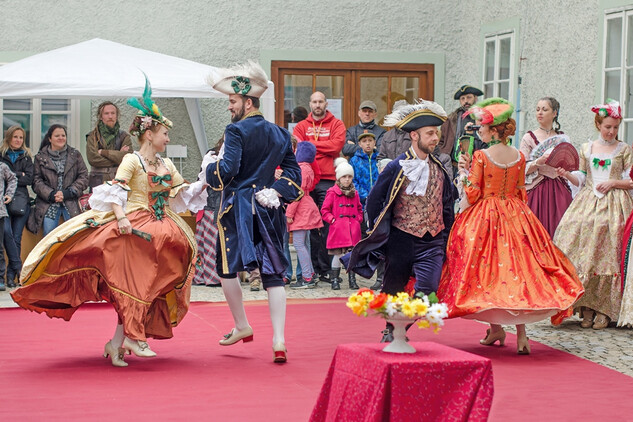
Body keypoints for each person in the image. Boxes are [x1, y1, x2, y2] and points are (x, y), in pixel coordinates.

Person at [12, 77, 207, 367]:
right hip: (136, 227)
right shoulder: (132, 161)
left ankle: (117, 342)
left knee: (146, 283)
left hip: (163, 226)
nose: (168, 138)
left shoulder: (166, 165)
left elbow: (181, 192)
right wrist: (121, 219)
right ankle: (132, 336)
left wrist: (207, 181)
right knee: (135, 282)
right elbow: (117, 193)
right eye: (164, 133)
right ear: (149, 134)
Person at [438, 98, 584, 355]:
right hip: (516, 215)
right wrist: (519, 216)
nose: (479, 130)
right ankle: (518, 335)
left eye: (482, 126)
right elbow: (521, 192)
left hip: (485, 215)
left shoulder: (481, 155)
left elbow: (473, 193)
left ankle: (497, 327)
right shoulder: (519, 156)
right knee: (518, 269)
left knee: (488, 271)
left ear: (493, 130)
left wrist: (463, 175)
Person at [206, 61, 302, 363]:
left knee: (226, 268)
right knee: (274, 274)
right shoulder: (280, 133)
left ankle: (242, 325)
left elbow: (229, 169)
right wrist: (277, 191)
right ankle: (279, 340)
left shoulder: (235, 130)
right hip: (268, 206)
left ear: (248, 102)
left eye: (232, 101)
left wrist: (210, 168)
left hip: (238, 209)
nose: (229, 107)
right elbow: (294, 175)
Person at [343, 100, 456, 341]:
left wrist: (446, 237)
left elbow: (447, 205)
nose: (435, 138)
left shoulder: (441, 168)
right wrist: (377, 229)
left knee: (427, 289)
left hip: (432, 240)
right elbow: (374, 200)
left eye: (436, 133)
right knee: (393, 288)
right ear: (415, 136)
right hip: (401, 238)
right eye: (430, 134)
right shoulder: (396, 166)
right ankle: (392, 329)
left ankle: (402, 326)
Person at [555, 99, 632, 329]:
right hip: (588, 201)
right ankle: (585, 306)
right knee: (579, 241)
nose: (612, 131)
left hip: (615, 203)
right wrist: (567, 175)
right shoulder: (586, 148)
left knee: (609, 248)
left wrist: (613, 182)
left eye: (616, 127)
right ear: (598, 124)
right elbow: (582, 177)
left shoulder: (624, 149)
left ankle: (605, 309)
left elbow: (631, 180)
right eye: (608, 126)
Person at [293, 91, 346, 284]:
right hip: (306, 183)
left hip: (328, 180)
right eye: (314, 101)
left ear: (326, 103)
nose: (317, 105)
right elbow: (299, 148)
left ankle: (325, 269)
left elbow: (336, 146)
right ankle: (311, 269)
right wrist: (323, 145)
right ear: (310, 104)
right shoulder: (301, 126)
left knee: (325, 225)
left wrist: (311, 146)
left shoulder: (336, 124)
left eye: (320, 101)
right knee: (307, 227)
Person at [520, 97, 572, 238]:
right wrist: (538, 162)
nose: (540, 113)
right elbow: (521, 169)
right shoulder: (528, 137)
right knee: (536, 233)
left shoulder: (562, 137)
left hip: (559, 189)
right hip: (537, 190)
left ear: (554, 113)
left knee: (560, 232)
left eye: (544, 109)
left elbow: (570, 164)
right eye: (537, 110)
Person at [27, 124, 89, 236]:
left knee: (73, 237)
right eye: (57, 136)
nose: (61, 138)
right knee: (49, 238)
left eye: (63, 135)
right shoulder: (40, 157)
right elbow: (36, 180)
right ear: (50, 138)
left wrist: (69, 192)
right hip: (48, 203)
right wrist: (51, 194)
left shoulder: (75, 155)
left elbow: (83, 176)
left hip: (71, 202)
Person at [321, 158, 363, 290]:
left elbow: (359, 209)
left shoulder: (355, 193)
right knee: (337, 255)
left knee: (351, 256)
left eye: (349, 176)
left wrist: (358, 220)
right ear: (339, 178)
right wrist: (333, 220)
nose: (347, 179)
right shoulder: (332, 192)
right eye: (344, 176)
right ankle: (335, 280)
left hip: (352, 230)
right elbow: (325, 210)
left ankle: (352, 280)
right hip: (338, 230)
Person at [349, 131, 383, 290]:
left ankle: (381, 277)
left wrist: (377, 196)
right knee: (360, 240)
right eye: (365, 141)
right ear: (360, 144)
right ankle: (353, 276)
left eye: (370, 140)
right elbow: (353, 182)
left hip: (379, 204)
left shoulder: (380, 160)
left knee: (380, 239)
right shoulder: (355, 161)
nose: (368, 144)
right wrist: (367, 196)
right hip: (362, 206)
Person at [287, 141, 323, 289]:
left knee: (299, 243)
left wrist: (289, 213)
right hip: (307, 206)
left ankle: (307, 277)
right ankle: (311, 274)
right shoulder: (307, 168)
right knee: (304, 244)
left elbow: (297, 193)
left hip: (301, 209)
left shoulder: (301, 169)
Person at [1, 126, 33, 288]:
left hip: (21, 201)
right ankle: (18, 269)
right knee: (6, 234)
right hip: (3, 202)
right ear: (8, 138)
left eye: (21, 137)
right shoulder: (2, 155)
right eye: (15, 137)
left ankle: (11, 276)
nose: (18, 140)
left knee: (16, 236)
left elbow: (29, 179)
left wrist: (14, 176)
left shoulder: (27, 157)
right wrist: (18, 175)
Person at [193, 137, 224, 287]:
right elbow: (201, 182)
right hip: (209, 206)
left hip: (220, 207)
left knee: (215, 244)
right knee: (205, 243)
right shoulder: (210, 157)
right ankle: (203, 276)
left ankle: (214, 277)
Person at [438, 85, 486, 175]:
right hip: (455, 166)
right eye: (462, 99)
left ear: (475, 98)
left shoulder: (483, 117)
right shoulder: (451, 119)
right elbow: (441, 142)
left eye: (469, 97)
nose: (466, 101)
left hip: (479, 164)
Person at [85, 101, 132, 189]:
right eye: (106, 113)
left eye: (113, 113)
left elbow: (128, 158)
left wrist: (104, 152)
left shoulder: (124, 136)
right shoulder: (93, 136)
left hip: (119, 180)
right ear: (101, 117)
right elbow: (93, 159)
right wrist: (118, 156)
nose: (110, 116)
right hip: (97, 181)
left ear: (117, 116)